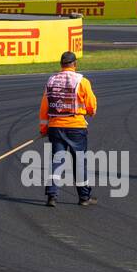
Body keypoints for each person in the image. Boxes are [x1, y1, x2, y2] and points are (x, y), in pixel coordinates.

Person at [38, 51, 98, 207]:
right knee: (79, 161)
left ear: (61, 65)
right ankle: (84, 197)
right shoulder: (82, 81)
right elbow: (91, 104)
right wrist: (91, 112)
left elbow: (44, 106)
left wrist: (44, 127)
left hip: (55, 127)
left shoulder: (51, 81)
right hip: (75, 126)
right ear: (75, 64)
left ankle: (52, 196)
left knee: (57, 160)